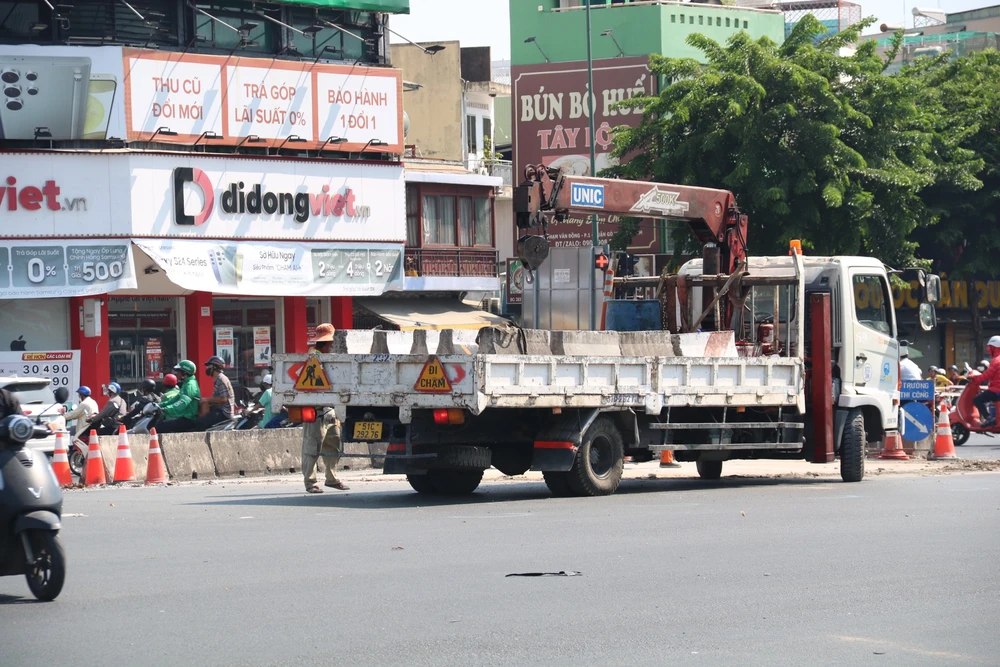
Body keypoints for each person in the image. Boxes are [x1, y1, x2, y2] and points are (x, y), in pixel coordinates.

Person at [301, 323, 348, 493]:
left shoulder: (328, 357)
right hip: (316, 410)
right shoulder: (314, 357)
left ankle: (332, 478)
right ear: (329, 342)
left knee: (333, 445)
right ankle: (310, 482)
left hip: (330, 408)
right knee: (312, 448)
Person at [156, 361, 202, 433]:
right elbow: (176, 399)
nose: (177, 374)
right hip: (183, 417)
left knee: (160, 426)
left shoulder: (190, 385)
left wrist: (166, 409)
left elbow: (182, 402)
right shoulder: (186, 383)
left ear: (185, 372)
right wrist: (159, 405)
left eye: (179, 371)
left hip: (189, 419)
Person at [197, 356, 234, 430]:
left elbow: (223, 399)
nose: (207, 368)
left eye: (208, 366)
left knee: (201, 423)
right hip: (219, 410)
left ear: (214, 367)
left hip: (224, 413)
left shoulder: (221, 379)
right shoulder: (218, 379)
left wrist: (206, 399)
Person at [970, 336, 1000, 427]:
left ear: (994, 347)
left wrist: (975, 378)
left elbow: (987, 375)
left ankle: (989, 418)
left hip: (996, 390)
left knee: (977, 400)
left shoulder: (996, 361)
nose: (988, 350)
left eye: (989, 348)